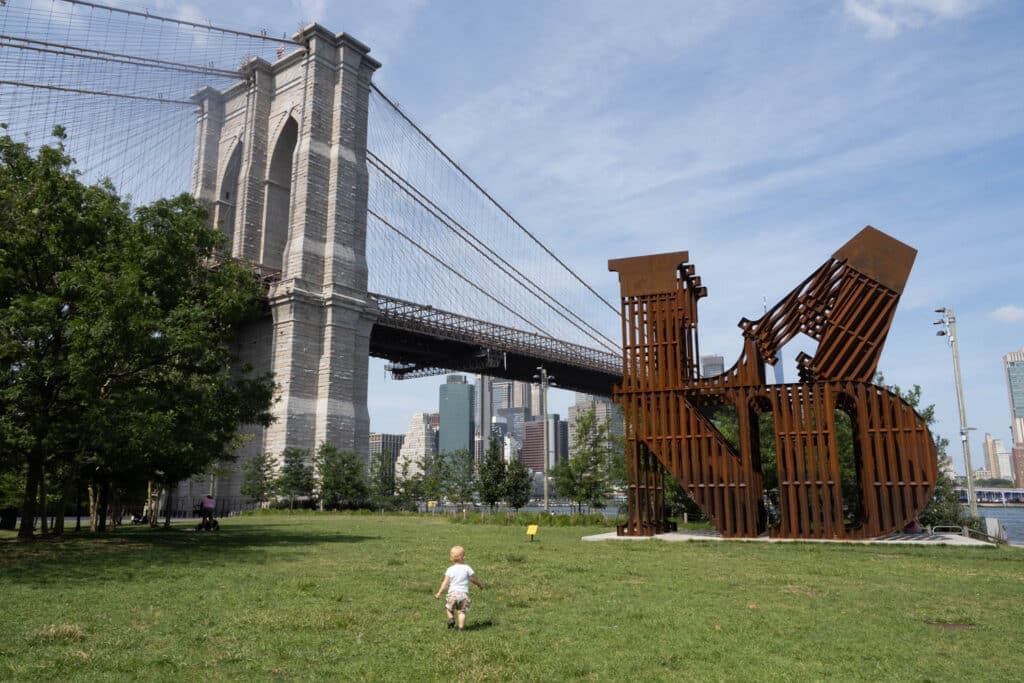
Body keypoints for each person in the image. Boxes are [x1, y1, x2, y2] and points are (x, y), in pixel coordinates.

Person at [434, 545, 484, 631]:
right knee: (461, 612)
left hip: (452, 594)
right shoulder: (467, 568)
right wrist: (479, 585)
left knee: (449, 609)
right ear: (463, 557)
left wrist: (439, 592)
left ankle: (451, 618)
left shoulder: (450, 569)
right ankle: (461, 629)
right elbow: (473, 579)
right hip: (463, 595)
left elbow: (445, 583)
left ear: (451, 558)